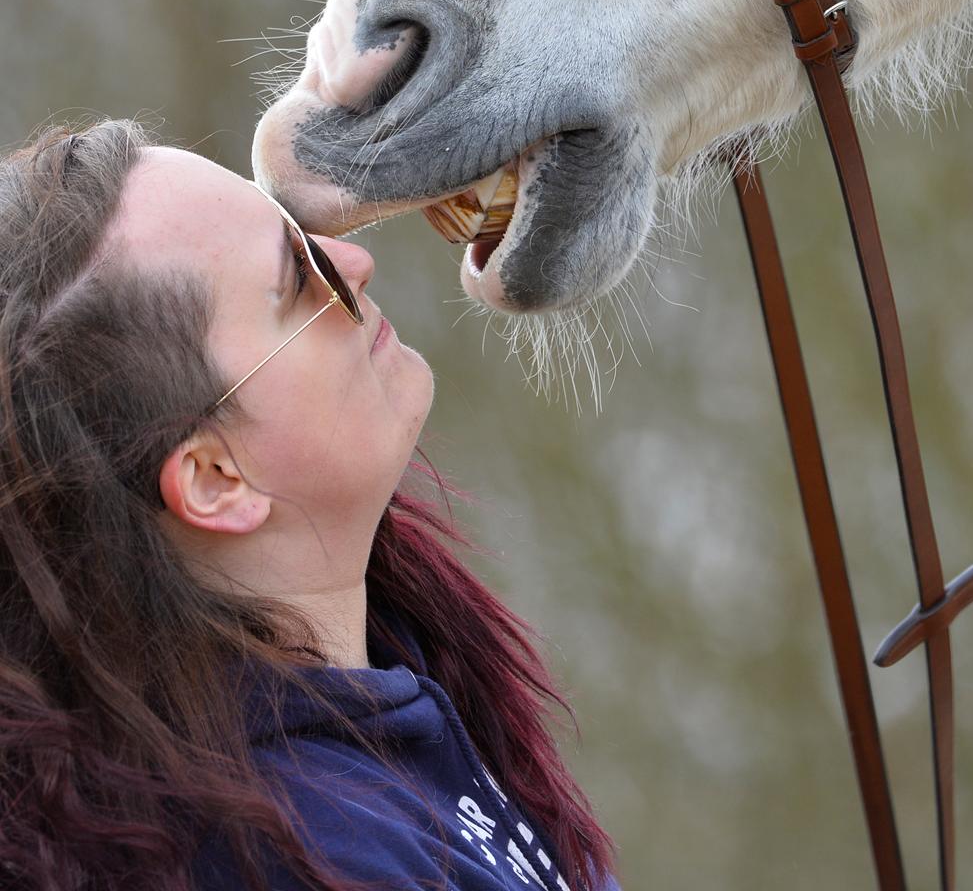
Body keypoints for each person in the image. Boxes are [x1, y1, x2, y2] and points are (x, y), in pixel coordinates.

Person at [0, 119, 619, 891]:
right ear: (215, 479)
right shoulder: (304, 860)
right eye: (297, 279)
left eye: (302, 233)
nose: (353, 261)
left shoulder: (401, 665)